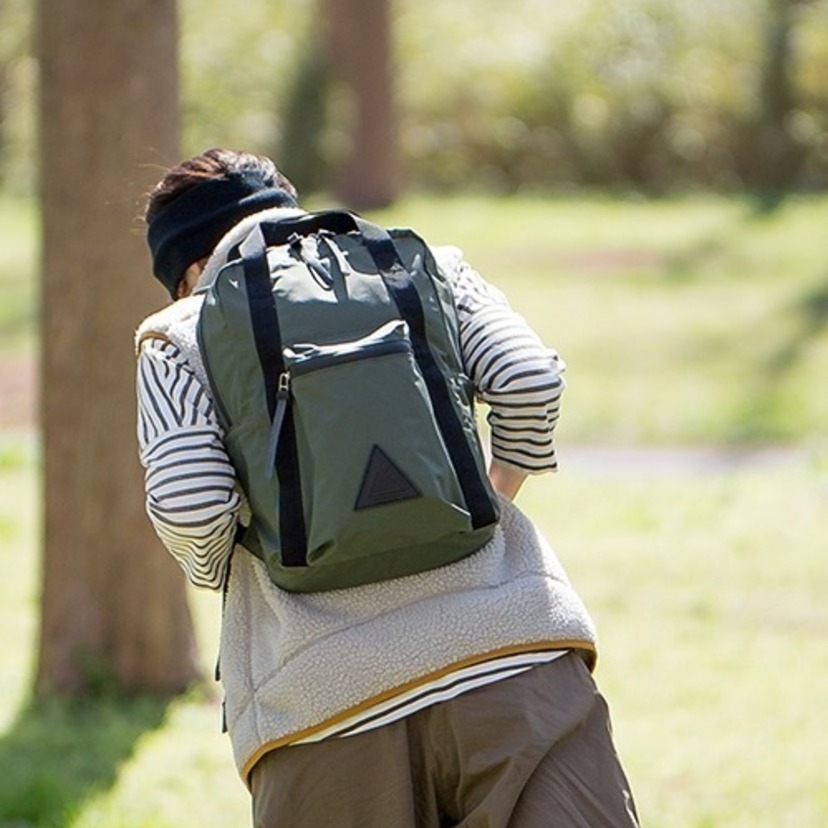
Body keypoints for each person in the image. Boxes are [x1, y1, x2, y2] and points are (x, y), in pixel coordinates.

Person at [135, 147, 639, 827]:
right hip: (516, 662)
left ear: (191, 271)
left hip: (324, 710)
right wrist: (488, 497)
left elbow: (189, 501)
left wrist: (218, 570)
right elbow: (529, 378)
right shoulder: (425, 263)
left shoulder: (178, 332)